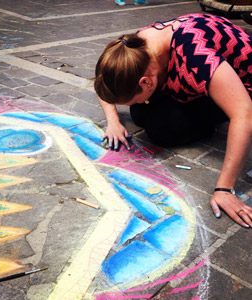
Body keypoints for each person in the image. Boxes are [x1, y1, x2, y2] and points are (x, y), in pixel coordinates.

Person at [94, 13, 252, 228]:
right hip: (193, 68)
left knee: (163, 130)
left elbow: (244, 112)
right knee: (140, 113)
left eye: (129, 100)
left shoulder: (195, 57)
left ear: (145, 82)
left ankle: (208, 123)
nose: (127, 106)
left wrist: (224, 189)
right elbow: (105, 83)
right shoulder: (134, 49)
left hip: (241, 86)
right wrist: (113, 121)